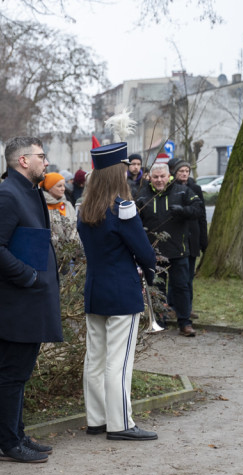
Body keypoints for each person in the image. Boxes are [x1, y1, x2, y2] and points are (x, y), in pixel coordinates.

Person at [0, 136, 62, 464]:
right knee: (12, 374)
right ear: (23, 161)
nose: (46, 162)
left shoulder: (27, 191)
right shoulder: (6, 194)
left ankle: (18, 433)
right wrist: (28, 276)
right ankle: (8, 443)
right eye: (41, 156)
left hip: (30, 302)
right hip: (15, 303)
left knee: (20, 373)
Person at [76, 143, 158, 441]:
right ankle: (121, 423)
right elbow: (145, 253)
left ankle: (97, 419)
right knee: (118, 363)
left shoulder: (86, 209)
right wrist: (148, 269)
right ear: (117, 173)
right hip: (122, 292)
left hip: (95, 290)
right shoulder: (123, 208)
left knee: (95, 359)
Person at [136, 162, 203, 336]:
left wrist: (183, 210)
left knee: (181, 287)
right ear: (150, 177)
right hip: (154, 253)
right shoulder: (143, 196)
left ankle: (184, 323)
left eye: (162, 177)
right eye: (155, 177)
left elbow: (198, 209)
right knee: (157, 289)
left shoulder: (182, 191)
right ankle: (158, 321)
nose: (159, 180)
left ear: (169, 177)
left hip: (178, 251)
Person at [170, 159, 208, 308]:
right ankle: (172, 305)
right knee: (175, 276)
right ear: (175, 173)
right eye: (181, 171)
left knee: (188, 276)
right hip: (177, 237)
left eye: (187, 171)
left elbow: (202, 215)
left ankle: (187, 306)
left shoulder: (195, 188)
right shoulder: (171, 188)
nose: (185, 174)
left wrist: (203, 239)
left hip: (193, 237)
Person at [41, 172, 79, 247]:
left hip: (71, 251)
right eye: (59, 186)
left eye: (63, 185)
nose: (63, 189)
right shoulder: (43, 206)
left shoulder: (67, 205)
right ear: (50, 188)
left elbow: (75, 225)